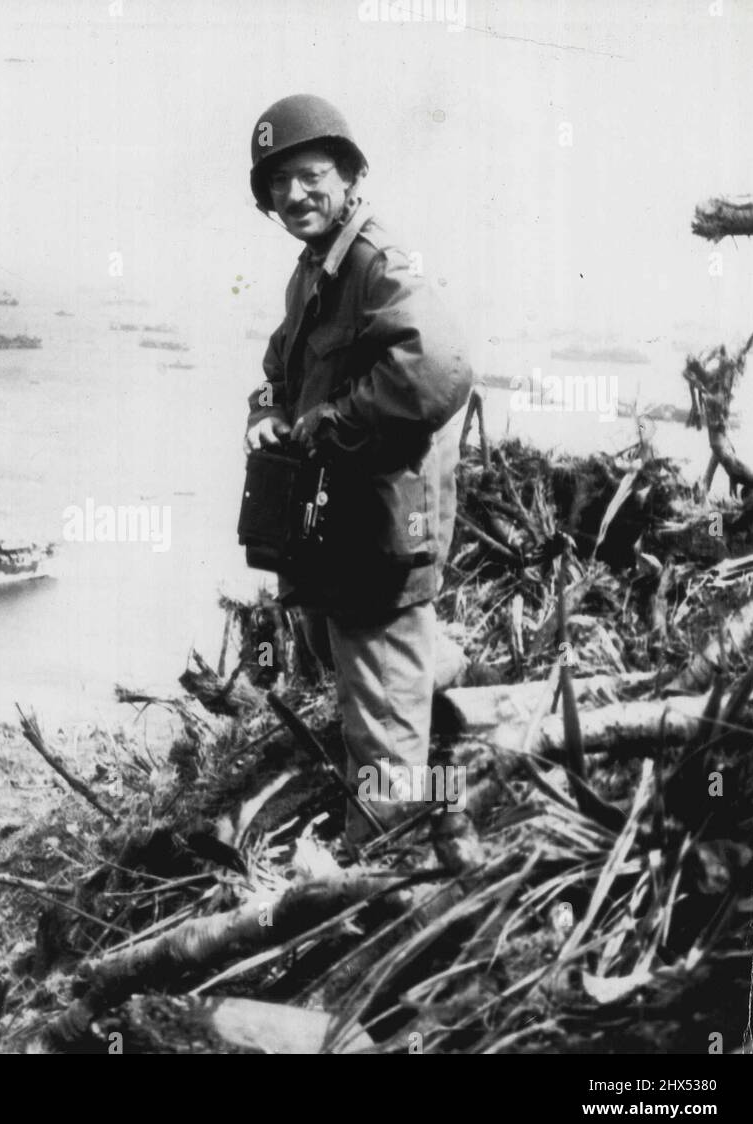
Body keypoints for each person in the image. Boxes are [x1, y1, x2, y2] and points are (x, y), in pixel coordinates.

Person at [243, 94, 474, 844]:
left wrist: (335, 424)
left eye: (310, 177)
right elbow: (283, 361)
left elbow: (440, 367)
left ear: (348, 177)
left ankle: (383, 863)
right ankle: (436, 680)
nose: (293, 196)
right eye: (277, 184)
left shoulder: (374, 263)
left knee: (381, 750)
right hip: (339, 538)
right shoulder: (315, 272)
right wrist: (269, 410)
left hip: (378, 538)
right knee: (350, 665)